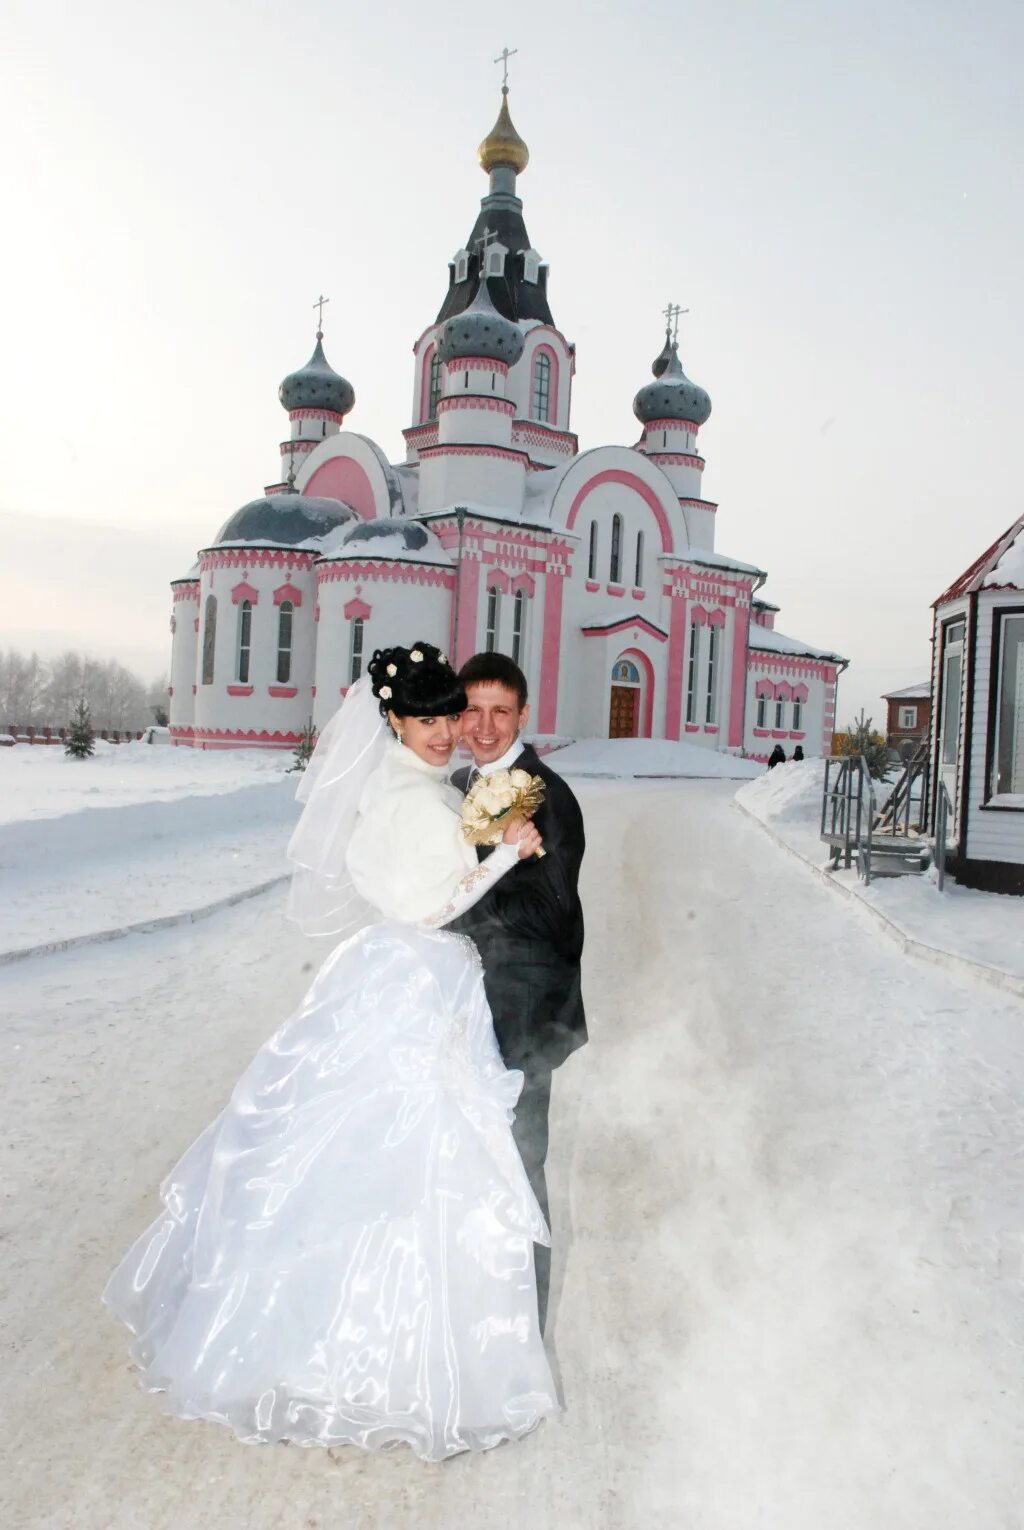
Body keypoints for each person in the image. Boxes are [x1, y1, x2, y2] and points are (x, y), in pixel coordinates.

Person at [102, 643, 559, 1462]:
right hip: (418, 973)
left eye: (449, 716)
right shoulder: (413, 800)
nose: (446, 732)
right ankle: (392, 1357)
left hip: (398, 970)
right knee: (413, 1160)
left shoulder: (405, 783)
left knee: (369, 1157)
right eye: (428, 719)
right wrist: (502, 857)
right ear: (392, 719)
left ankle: (339, 1331)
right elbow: (431, 905)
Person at [448, 652, 586, 1333]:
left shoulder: (546, 794)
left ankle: (523, 1341)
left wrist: (453, 909)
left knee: (519, 1169)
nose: (484, 724)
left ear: (523, 714)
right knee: (472, 1165)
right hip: (471, 1007)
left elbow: (553, 914)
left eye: (501, 710)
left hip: (526, 1018)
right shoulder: (461, 783)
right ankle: (478, 1320)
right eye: (472, 709)